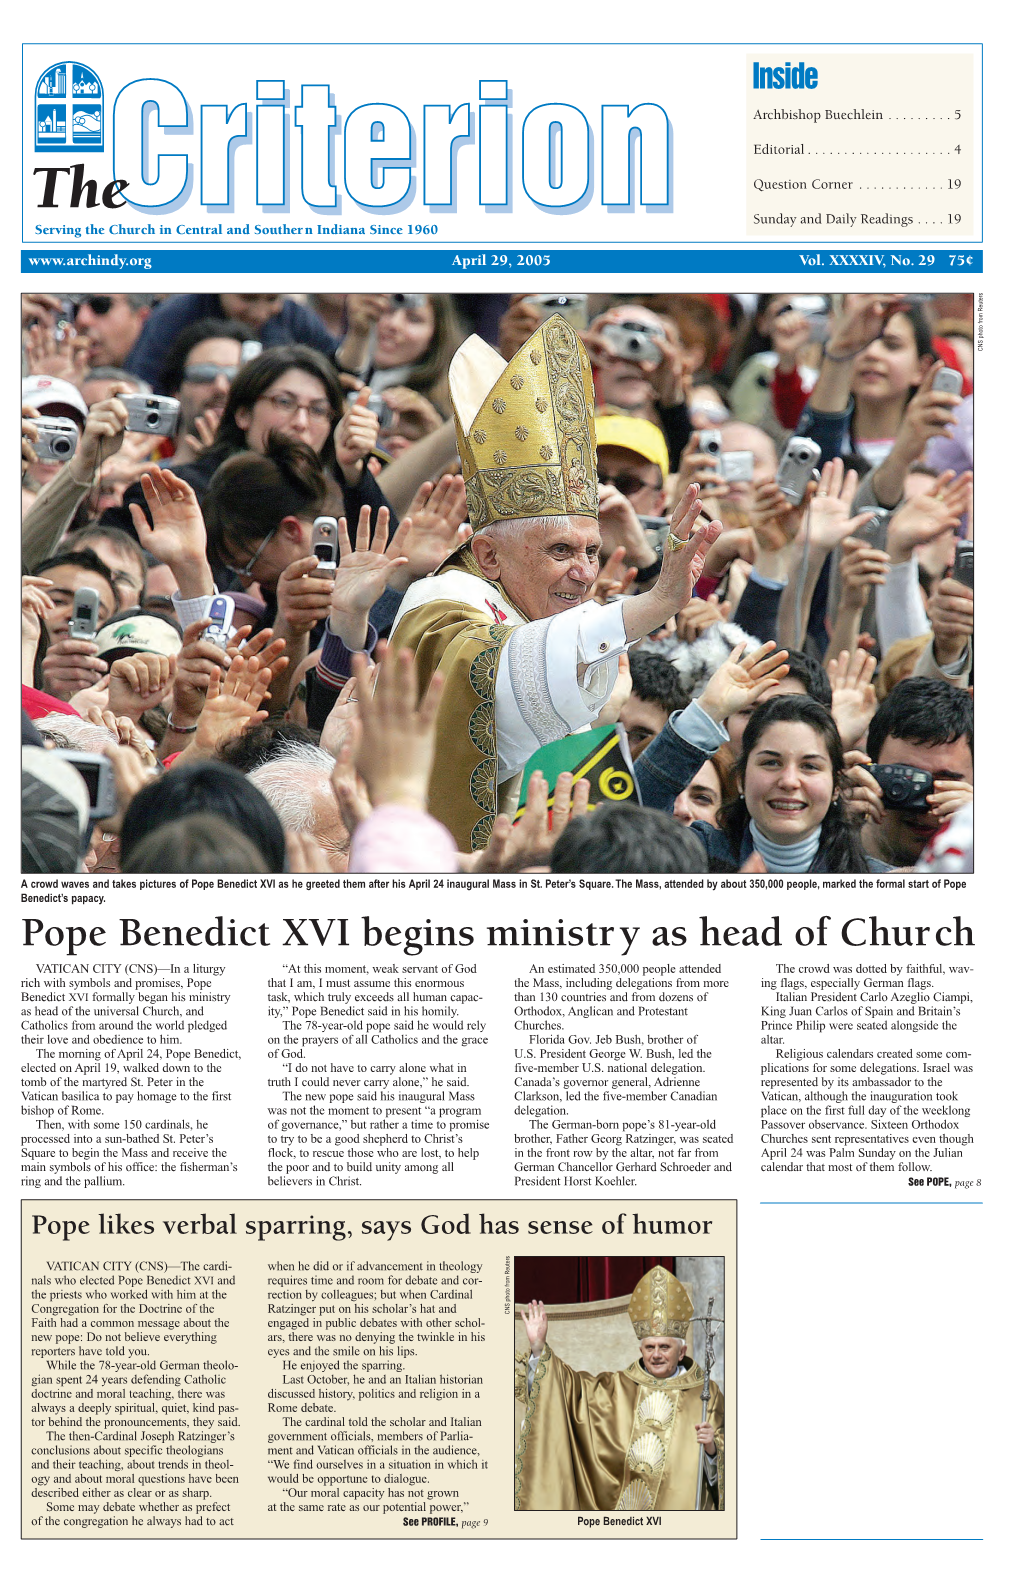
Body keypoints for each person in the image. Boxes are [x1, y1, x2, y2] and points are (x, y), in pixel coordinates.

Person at [388, 316, 721, 851]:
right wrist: (658, 602)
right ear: (488, 555)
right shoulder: (443, 601)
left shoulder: (536, 613)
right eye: (560, 551)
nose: (586, 572)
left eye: (592, 550)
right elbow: (500, 667)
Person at [515, 1265, 722, 1511]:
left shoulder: (706, 1395)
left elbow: (732, 1470)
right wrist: (539, 1349)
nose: (656, 1355)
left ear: (682, 1352)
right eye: (649, 1347)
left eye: (664, 1347)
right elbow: (568, 1392)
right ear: (641, 1350)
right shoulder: (618, 1388)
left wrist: (712, 1450)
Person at [860, 678, 973, 867]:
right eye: (904, 778)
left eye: (942, 784)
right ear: (869, 769)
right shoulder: (822, 843)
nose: (922, 805)